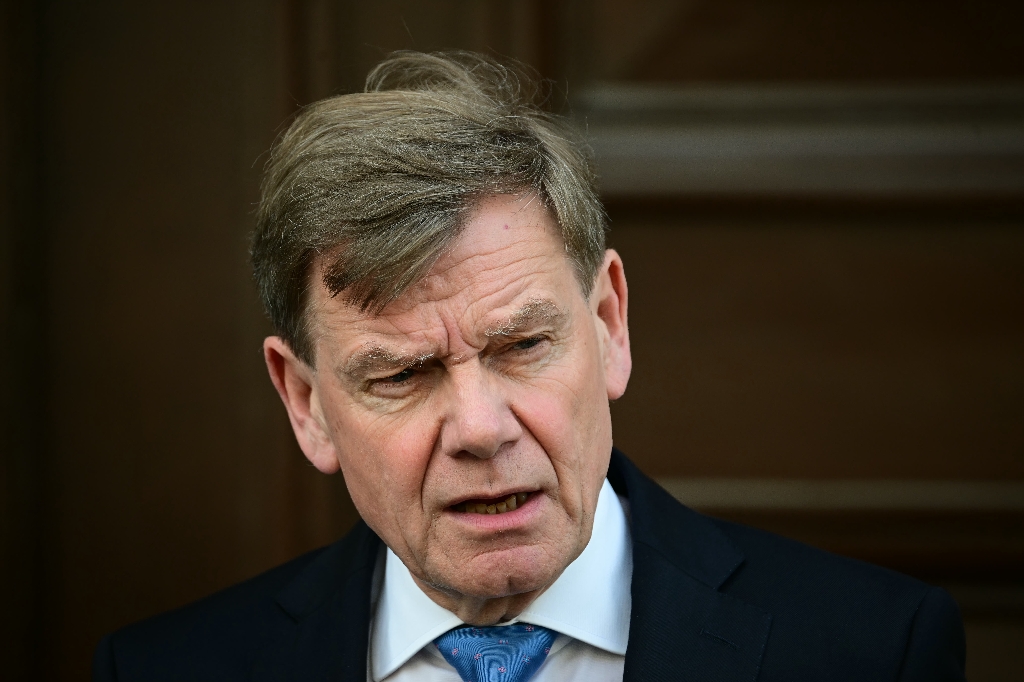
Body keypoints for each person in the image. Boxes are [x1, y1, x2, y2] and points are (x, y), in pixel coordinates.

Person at [92, 51, 966, 682]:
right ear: (306, 402)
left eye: (522, 347)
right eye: (401, 376)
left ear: (609, 324)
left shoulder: (871, 651)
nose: (480, 429)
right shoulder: (169, 669)